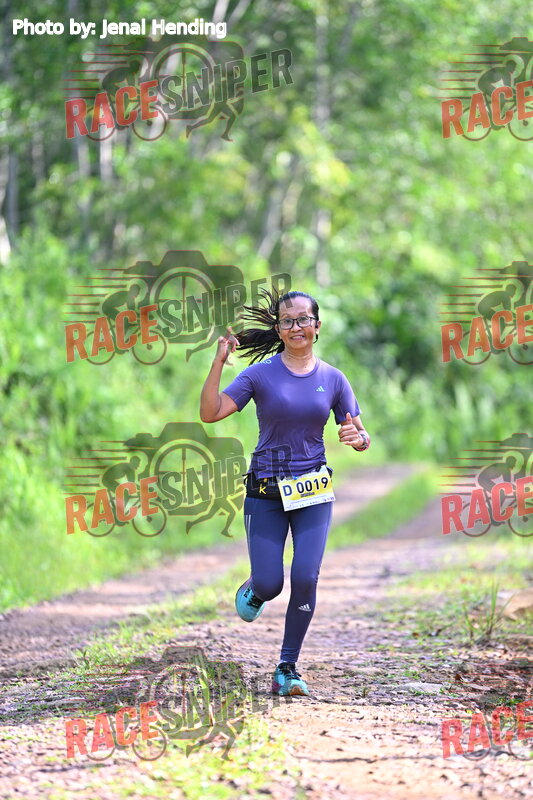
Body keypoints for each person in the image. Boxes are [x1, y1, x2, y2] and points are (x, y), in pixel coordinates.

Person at [199, 289, 370, 697]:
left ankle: (287, 667)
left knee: (306, 577)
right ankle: (255, 588)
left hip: (313, 491)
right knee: (271, 583)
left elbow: (359, 433)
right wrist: (218, 362)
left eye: (303, 319)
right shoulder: (259, 376)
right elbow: (210, 412)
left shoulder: (333, 379)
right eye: (288, 321)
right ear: (278, 329)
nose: (296, 327)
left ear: (317, 326)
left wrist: (358, 439)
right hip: (266, 490)